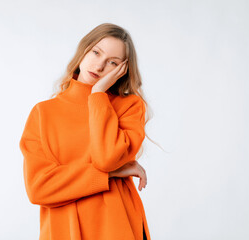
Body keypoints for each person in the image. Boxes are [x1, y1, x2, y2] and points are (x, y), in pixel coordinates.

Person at [19, 23, 151, 240]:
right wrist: (110, 175)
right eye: (96, 52)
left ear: (122, 70)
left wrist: (98, 94)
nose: (99, 66)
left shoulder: (129, 107)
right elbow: (38, 188)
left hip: (116, 228)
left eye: (112, 63)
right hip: (63, 231)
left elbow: (106, 158)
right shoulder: (43, 113)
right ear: (84, 50)